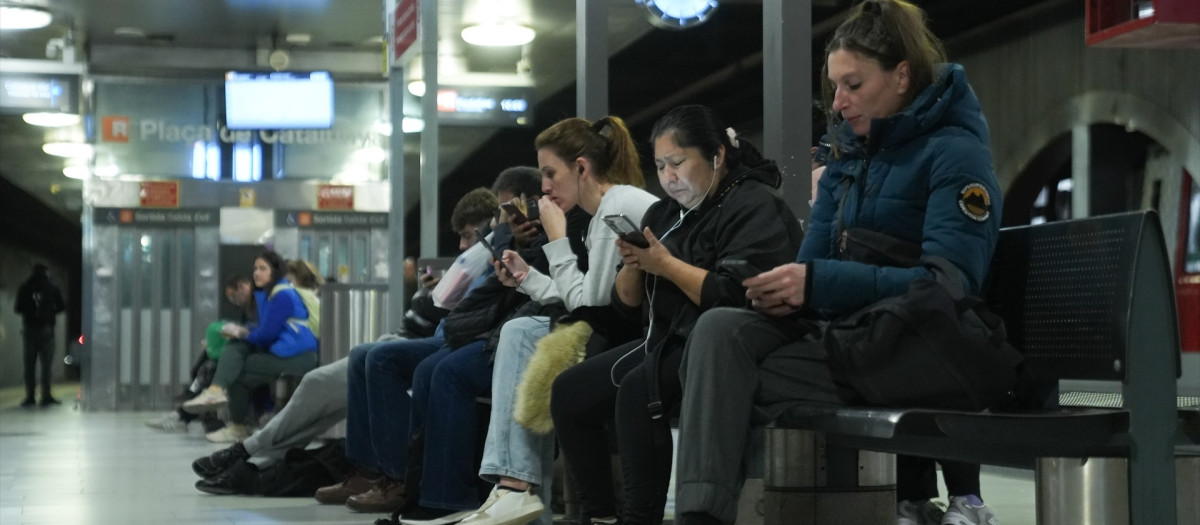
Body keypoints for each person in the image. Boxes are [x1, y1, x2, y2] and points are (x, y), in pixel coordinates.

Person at [672, 2, 1003, 525]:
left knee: (723, 375)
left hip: (913, 345)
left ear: (901, 76)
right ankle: (701, 516)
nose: (839, 102)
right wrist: (785, 289)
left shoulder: (955, 156)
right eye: (834, 87)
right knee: (718, 332)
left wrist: (819, 282)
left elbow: (947, 285)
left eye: (853, 84)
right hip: (850, 337)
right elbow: (813, 266)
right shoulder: (849, 157)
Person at [549, 105, 804, 525]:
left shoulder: (752, 202)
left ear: (716, 156)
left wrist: (666, 265)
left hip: (726, 342)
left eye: (678, 163)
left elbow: (732, 296)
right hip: (666, 338)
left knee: (638, 390)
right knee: (569, 393)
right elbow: (626, 307)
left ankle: (639, 516)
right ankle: (598, 515)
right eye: (661, 165)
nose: (668, 176)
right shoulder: (664, 214)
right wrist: (634, 262)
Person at [190, 184, 523, 497]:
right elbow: (432, 307)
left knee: (318, 384)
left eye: (468, 235)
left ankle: (246, 453)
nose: (463, 245)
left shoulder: (490, 263)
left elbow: (441, 312)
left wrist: (433, 295)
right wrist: (429, 292)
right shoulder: (474, 264)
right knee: (318, 402)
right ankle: (249, 463)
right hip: (401, 341)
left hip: (409, 348)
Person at [454, 115, 658, 525]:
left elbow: (587, 305)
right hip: (619, 330)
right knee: (520, 330)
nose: (543, 187)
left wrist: (558, 238)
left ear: (581, 168)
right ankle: (516, 486)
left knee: (535, 348)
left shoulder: (615, 206)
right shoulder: (608, 206)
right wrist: (526, 277)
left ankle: (523, 489)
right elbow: (581, 298)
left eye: (550, 173)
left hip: (642, 338)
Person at [183, 250, 320, 443]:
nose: (256, 273)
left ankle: (222, 402)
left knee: (237, 360)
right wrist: (244, 330)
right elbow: (266, 329)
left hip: (297, 356)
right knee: (237, 357)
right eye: (255, 268)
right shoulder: (272, 294)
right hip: (286, 352)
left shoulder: (282, 296)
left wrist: (243, 333)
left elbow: (267, 335)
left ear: (275, 272)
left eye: (263, 268)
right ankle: (223, 403)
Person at [146, 275, 257, 432]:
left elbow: (258, 332)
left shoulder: (259, 304)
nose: (234, 301)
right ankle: (185, 408)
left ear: (243, 286)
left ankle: (183, 413)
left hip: (254, 352)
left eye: (233, 296)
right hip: (246, 350)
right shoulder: (249, 309)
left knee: (213, 371)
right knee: (209, 362)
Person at [13, 263, 66, 407]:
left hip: (29, 330)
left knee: (29, 365)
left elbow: (17, 308)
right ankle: (46, 395)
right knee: (46, 366)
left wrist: (29, 313)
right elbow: (61, 306)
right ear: (46, 272)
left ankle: (30, 396)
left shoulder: (25, 287)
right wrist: (50, 313)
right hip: (46, 330)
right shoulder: (52, 287)